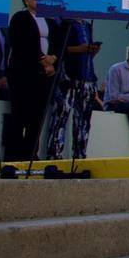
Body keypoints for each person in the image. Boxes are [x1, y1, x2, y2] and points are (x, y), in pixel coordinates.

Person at [4, 0, 58, 161]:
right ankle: (14, 155)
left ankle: (30, 153)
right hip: (23, 73)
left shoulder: (49, 21)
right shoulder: (20, 18)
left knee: (37, 117)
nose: (38, 0)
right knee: (20, 114)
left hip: (43, 74)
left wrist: (53, 59)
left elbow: (57, 41)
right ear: (26, 0)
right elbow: (22, 43)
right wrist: (42, 59)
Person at [47, 18, 100, 160]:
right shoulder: (64, 24)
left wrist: (92, 50)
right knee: (61, 116)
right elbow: (59, 49)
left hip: (87, 78)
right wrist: (80, 49)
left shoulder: (87, 26)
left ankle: (80, 155)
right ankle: (54, 155)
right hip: (68, 78)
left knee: (83, 121)